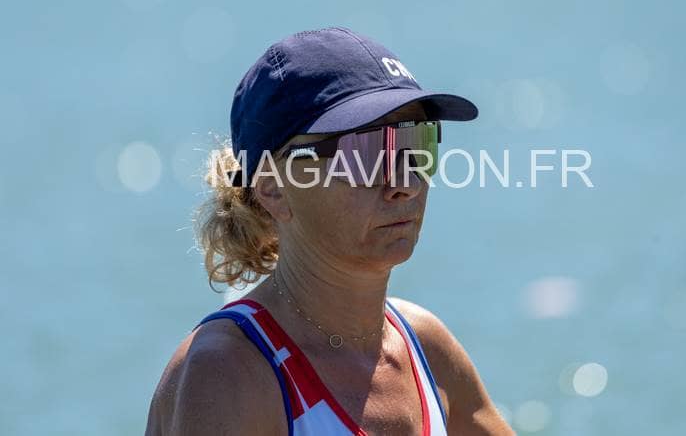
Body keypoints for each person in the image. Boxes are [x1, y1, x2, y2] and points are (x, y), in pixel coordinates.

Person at [145, 27, 513, 435]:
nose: (405, 183)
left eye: (416, 144)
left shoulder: (428, 348)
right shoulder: (227, 374)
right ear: (274, 188)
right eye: (365, 153)